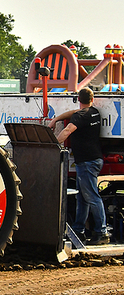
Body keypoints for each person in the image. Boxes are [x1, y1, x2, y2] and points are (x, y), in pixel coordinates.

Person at [48, 87, 109, 245]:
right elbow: (73, 114)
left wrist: (53, 144)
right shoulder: (94, 112)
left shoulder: (80, 116)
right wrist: (56, 119)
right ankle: (78, 230)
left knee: (92, 197)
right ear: (92, 98)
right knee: (83, 197)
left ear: (78, 99)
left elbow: (68, 130)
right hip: (94, 159)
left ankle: (102, 232)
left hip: (86, 162)